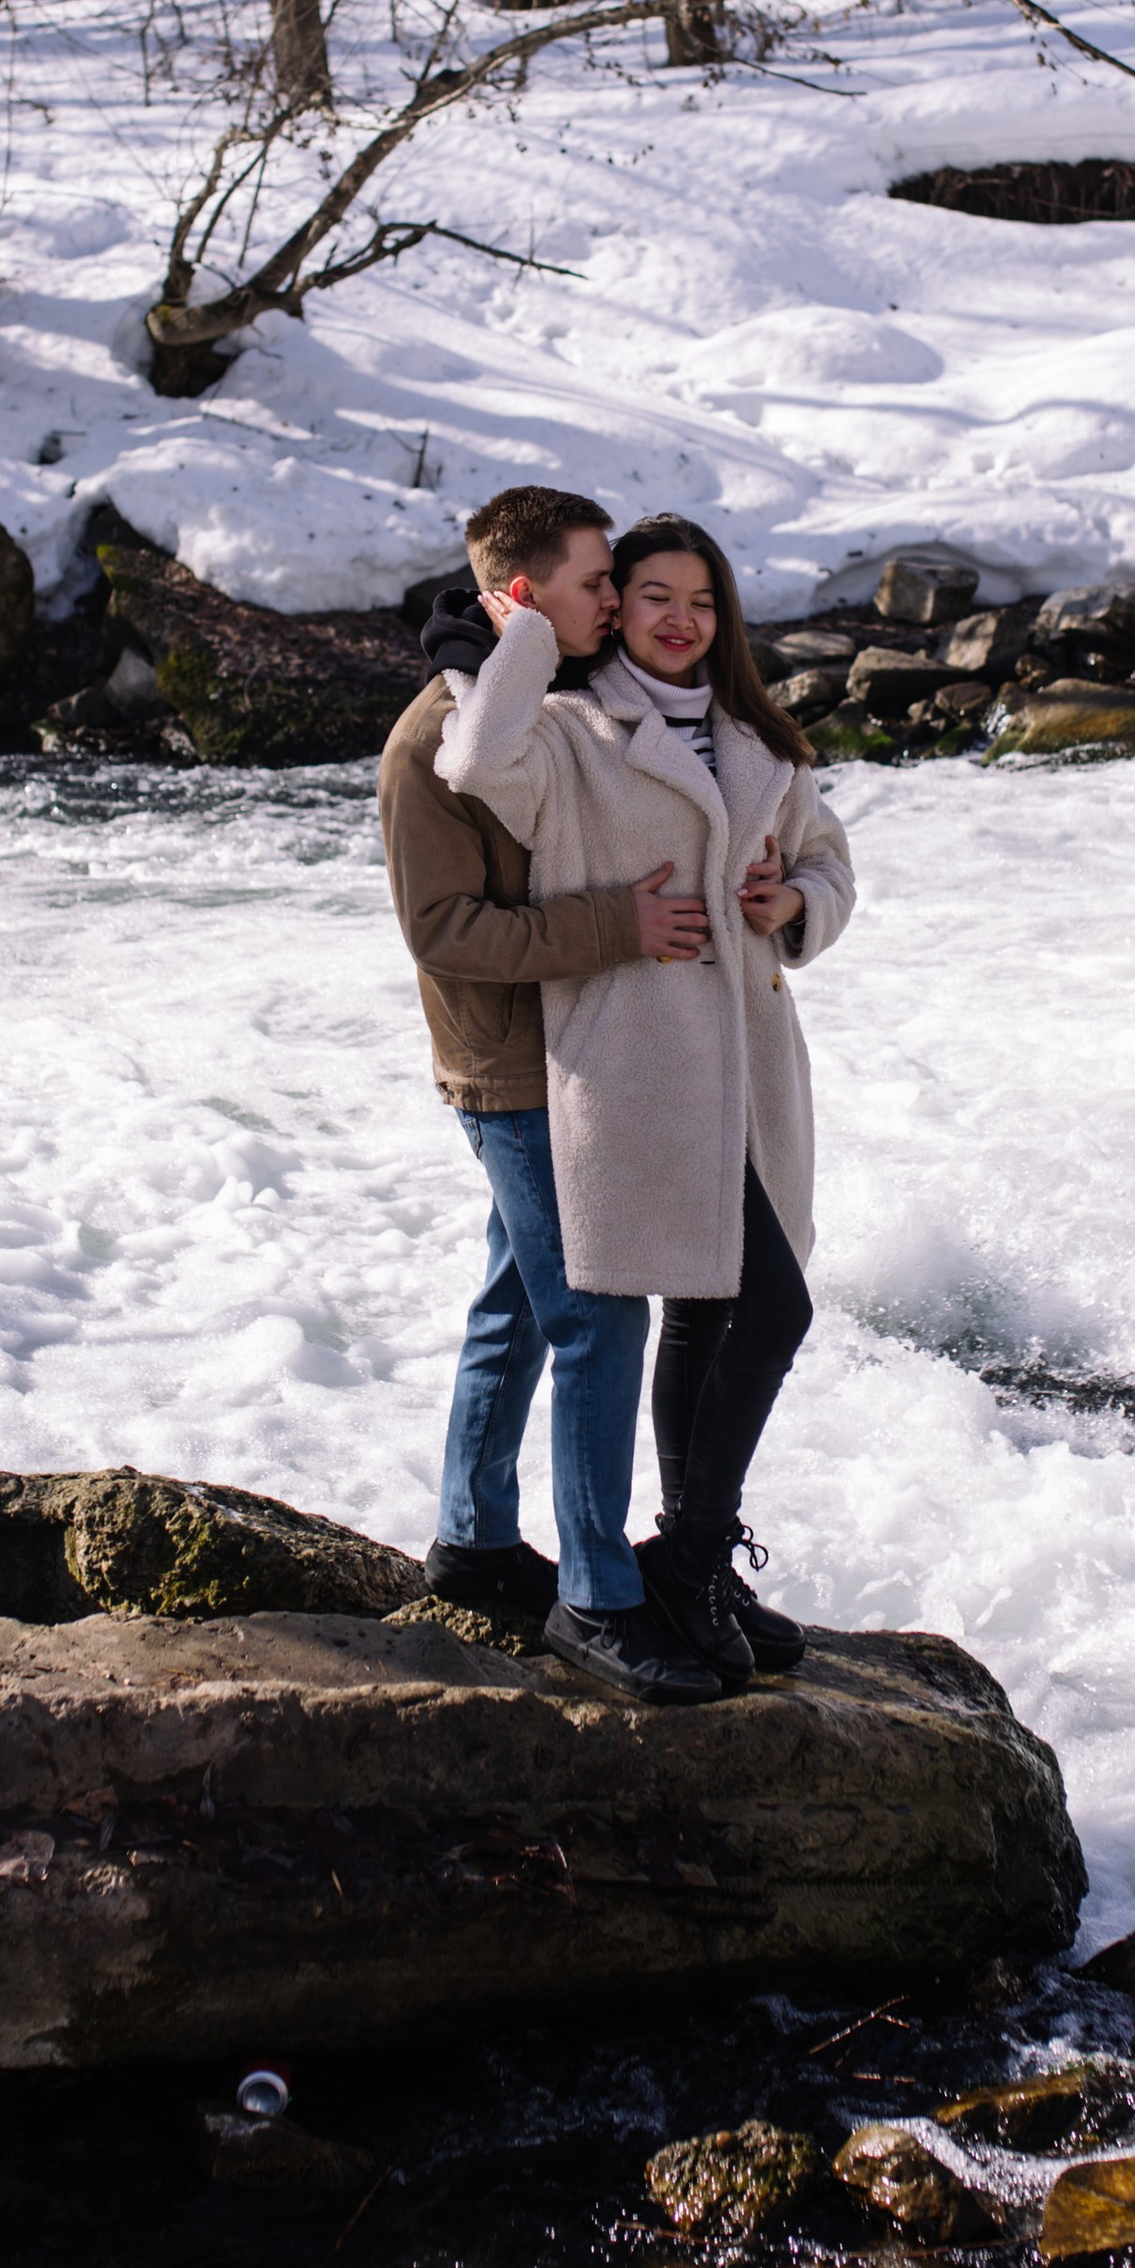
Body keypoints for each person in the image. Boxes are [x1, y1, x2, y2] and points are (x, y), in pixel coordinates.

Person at [434, 510, 856, 1695]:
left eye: (702, 601)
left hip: (747, 1067)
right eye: (653, 593)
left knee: (723, 1310)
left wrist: (791, 903)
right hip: (637, 1071)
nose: (679, 618)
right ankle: (678, 1556)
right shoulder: (569, 729)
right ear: (617, 606)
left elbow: (830, 860)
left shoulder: (755, 737)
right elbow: (470, 763)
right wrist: (513, 638)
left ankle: (691, 1559)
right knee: (768, 1308)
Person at [378, 485, 722, 1706]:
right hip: (510, 1069)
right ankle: (594, 1599)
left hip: (573, 1047)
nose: (615, 601)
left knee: (514, 1307)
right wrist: (615, 926)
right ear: (523, 598)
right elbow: (442, 930)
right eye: (593, 583)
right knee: (597, 1314)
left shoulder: (544, 706)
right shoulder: (435, 740)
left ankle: (472, 1544)